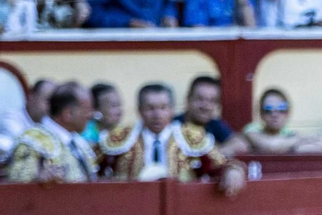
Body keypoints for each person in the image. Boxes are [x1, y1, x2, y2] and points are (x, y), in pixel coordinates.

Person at [99, 81, 246, 194]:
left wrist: (233, 170)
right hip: (130, 210)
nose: (157, 115)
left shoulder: (190, 137)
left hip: (181, 209)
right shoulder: (120, 137)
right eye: (150, 108)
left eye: (163, 108)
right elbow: (92, 169)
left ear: (171, 110)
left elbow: (220, 164)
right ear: (140, 110)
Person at [5, 81, 96, 183]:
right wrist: (37, 180)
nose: (91, 115)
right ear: (68, 114)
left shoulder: (80, 143)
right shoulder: (32, 141)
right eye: (87, 110)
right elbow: (17, 187)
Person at [238, 88, 322, 152]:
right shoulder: (251, 130)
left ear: (288, 112)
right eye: (268, 109)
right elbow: (270, 146)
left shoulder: (290, 134)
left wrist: (293, 146)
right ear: (260, 113)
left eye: (281, 108)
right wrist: (299, 141)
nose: (275, 114)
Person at [0, 77, 54, 164]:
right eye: (48, 100)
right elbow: (24, 147)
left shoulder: (48, 123)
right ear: (31, 95)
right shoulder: (11, 119)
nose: (50, 107)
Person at [180, 75, 237, 151]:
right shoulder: (173, 125)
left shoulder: (215, 125)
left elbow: (240, 143)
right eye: (200, 99)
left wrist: (215, 154)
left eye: (212, 101)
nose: (205, 107)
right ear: (188, 99)